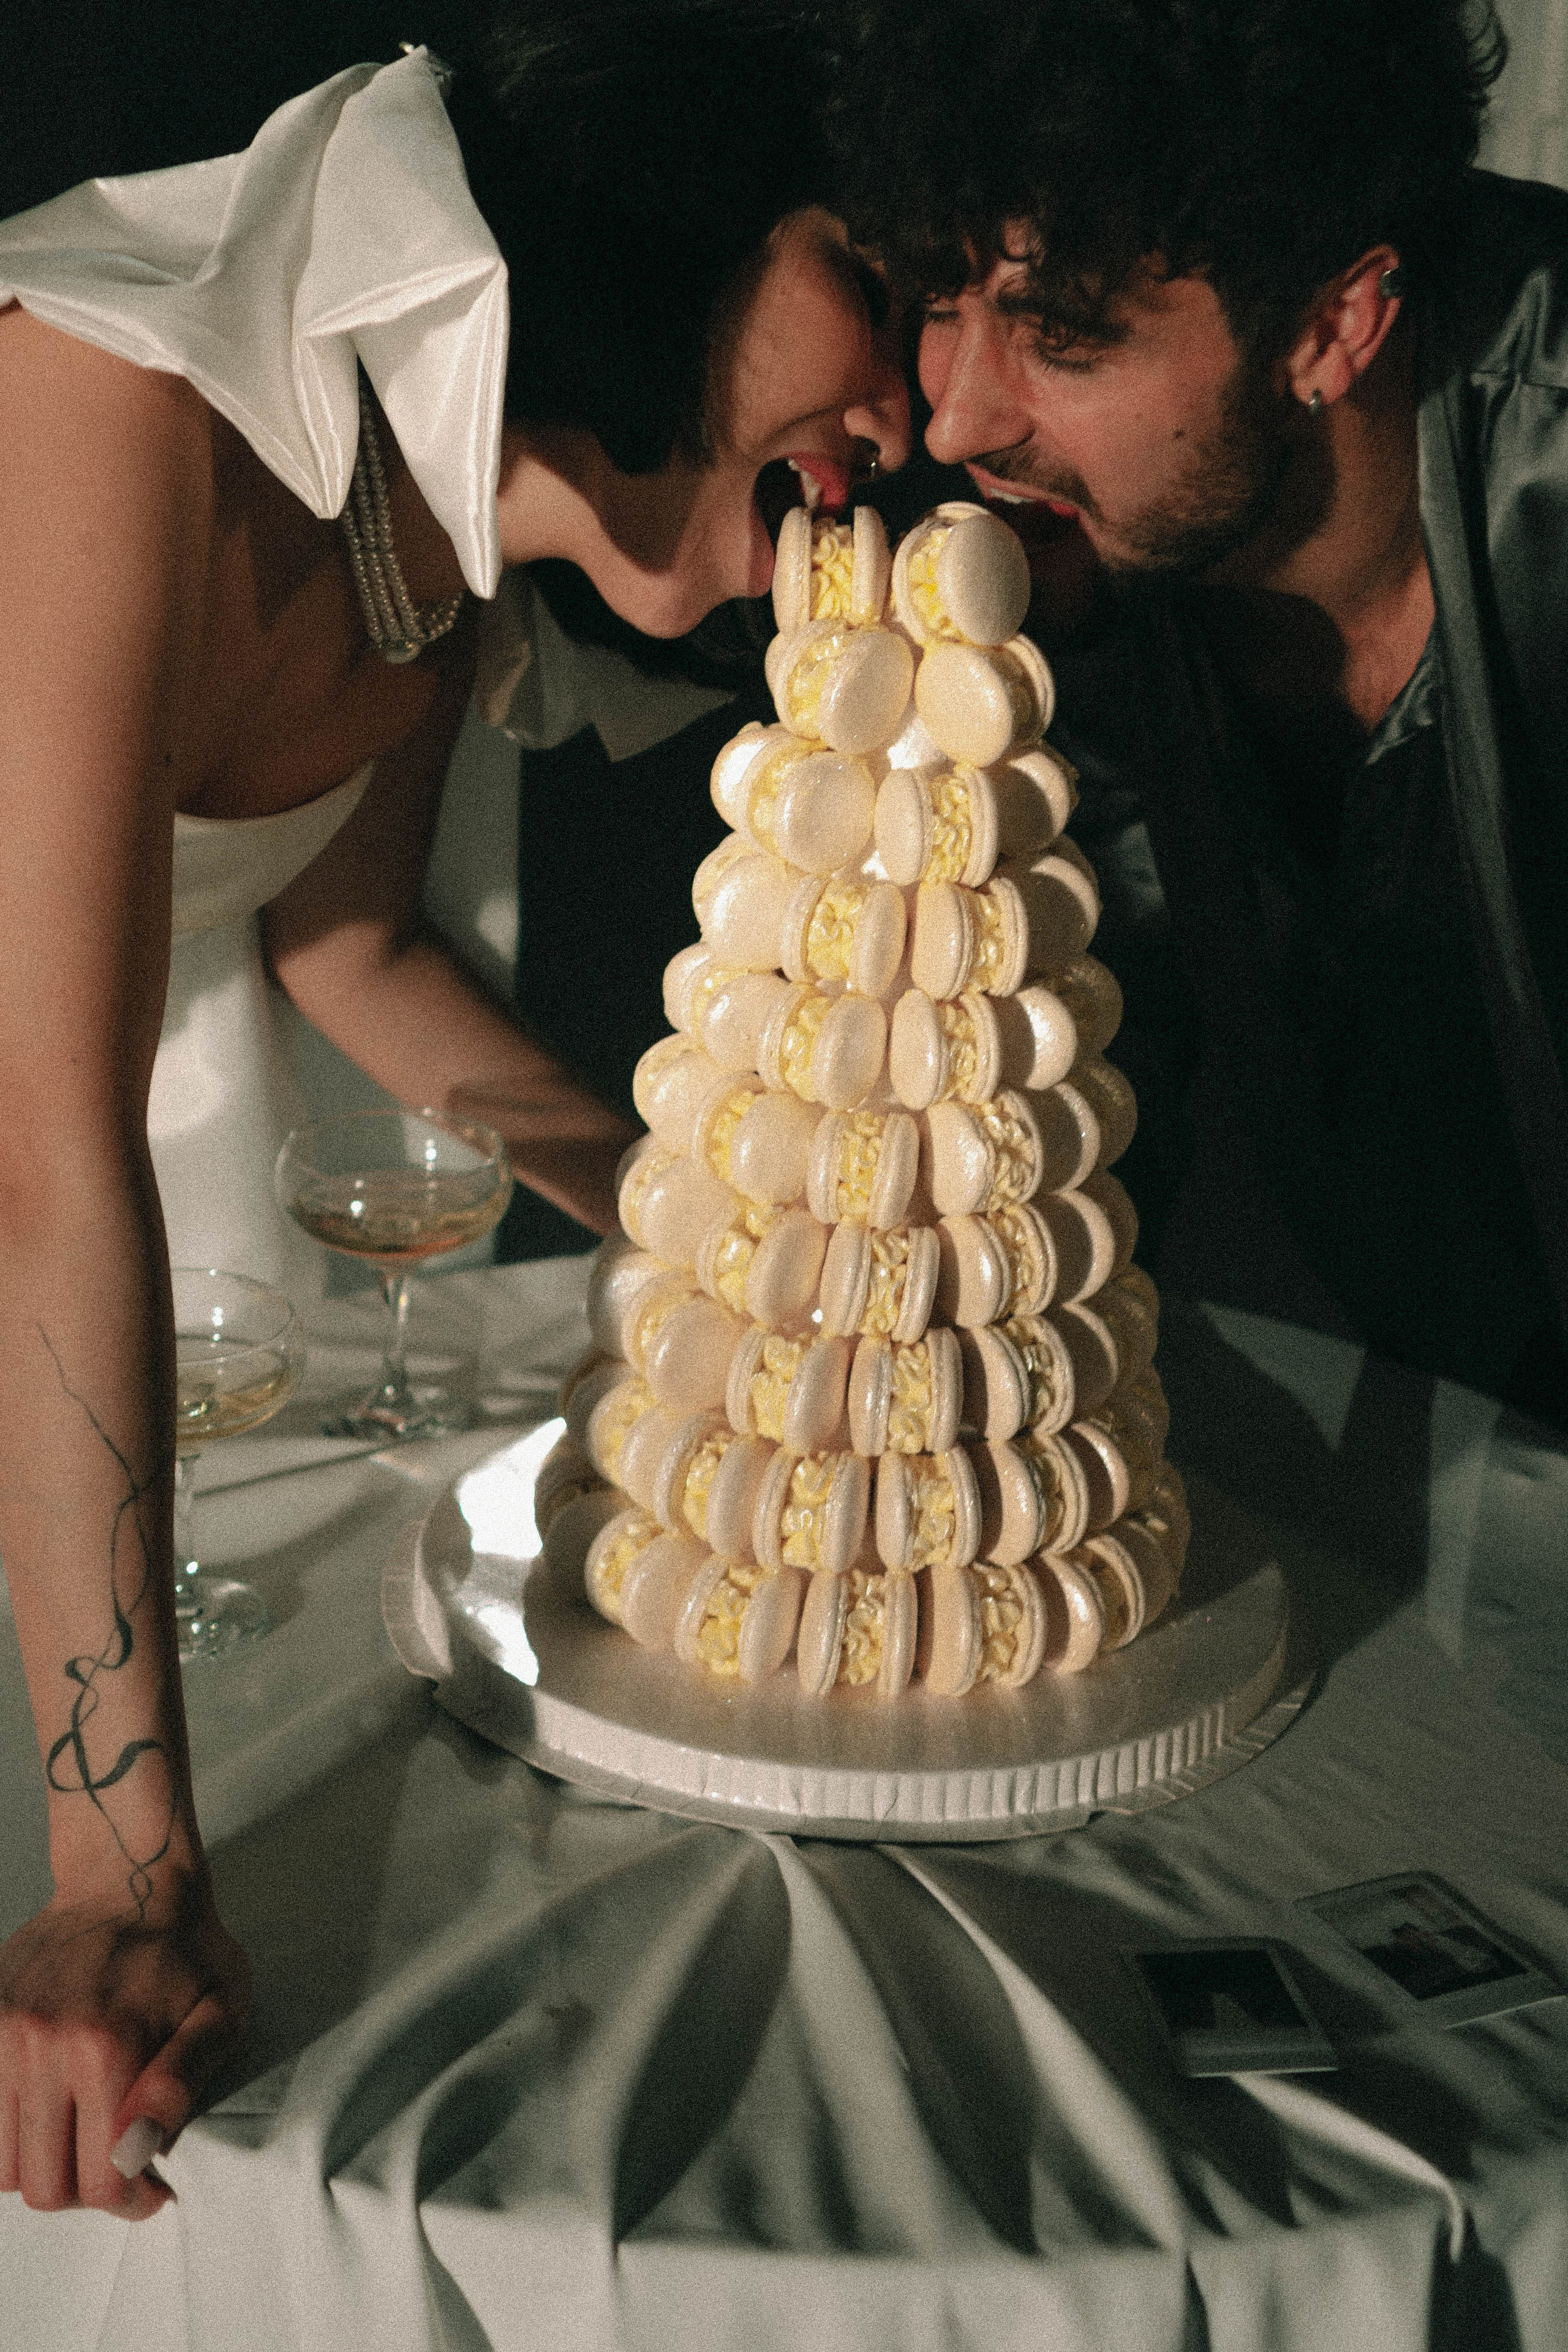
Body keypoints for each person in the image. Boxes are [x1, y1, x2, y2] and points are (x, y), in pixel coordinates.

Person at [0, 0, 909, 2217]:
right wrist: (123, 1864)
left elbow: (354, 953)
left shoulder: (412, 526)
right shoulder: (104, 401)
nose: (901, 409)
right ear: (656, 207)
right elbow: (37, 1153)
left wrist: (712, 1225)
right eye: (859, 263)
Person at [828, 0, 1568, 1428]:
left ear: (1329, 324)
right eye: (939, 301)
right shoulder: (1067, 560)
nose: (956, 418)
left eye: (1061, 336)